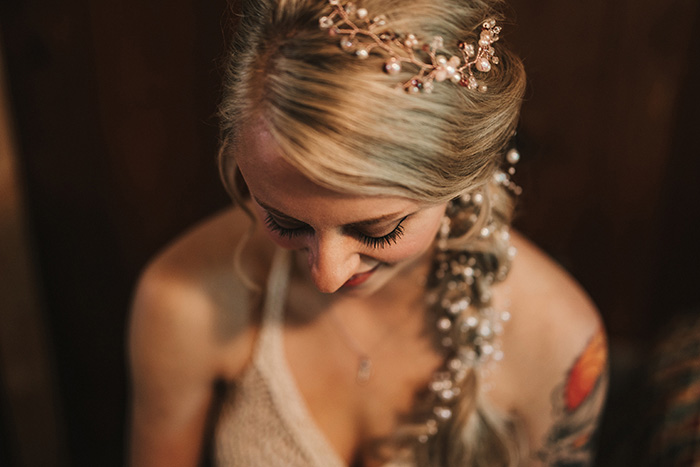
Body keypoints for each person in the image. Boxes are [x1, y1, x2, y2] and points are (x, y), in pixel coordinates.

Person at [127, 0, 608, 465]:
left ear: (465, 174)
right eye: (286, 222)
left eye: (378, 231)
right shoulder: (183, 299)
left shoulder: (557, 339)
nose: (327, 276)